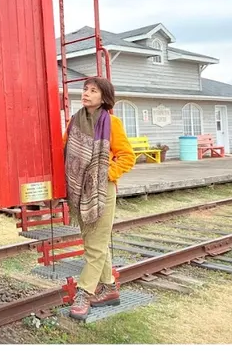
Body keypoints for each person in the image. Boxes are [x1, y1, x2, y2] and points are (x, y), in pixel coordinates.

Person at [64, 78, 136, 320]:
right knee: (94, 242)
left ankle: (84, 293)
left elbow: (127, 156)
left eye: (93, 91)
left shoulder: (112, 123)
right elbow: (67, 153)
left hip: (102, 191)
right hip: (80, 190)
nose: (86, 93)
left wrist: (105, 174)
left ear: (104, 98)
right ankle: (110, 289)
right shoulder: (75, 121)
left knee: (95, 246)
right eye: (85, 89)